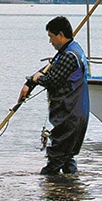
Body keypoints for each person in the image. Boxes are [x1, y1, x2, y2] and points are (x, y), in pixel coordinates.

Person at [20, 16, 89, 175]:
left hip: (70, 114)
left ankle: (49, 191)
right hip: (75, 114)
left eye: (51, 37)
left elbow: (52, 80)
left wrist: (37, 79)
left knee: (55, 160)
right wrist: (30, 82)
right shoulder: (69, 50)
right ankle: (70, 191)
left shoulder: (69, 56)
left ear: (60, 34)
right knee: (67, 158)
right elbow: (50, 69)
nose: (50, 41)